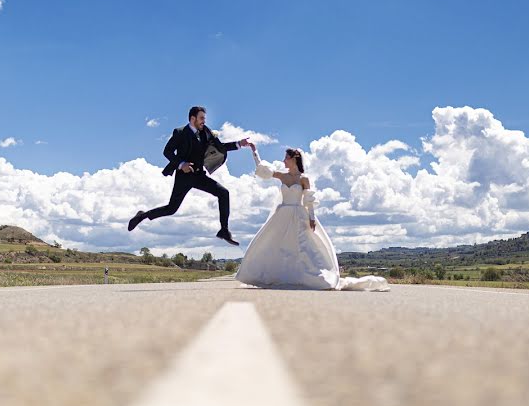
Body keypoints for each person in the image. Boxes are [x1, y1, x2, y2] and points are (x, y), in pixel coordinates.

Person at [235, 144, 389, 291]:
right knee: (273, 243)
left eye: (286, 158)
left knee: (304, 246)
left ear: (294, 159)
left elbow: (308, 200)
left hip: (299, 215)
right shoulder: (282, 176)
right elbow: (262, 170)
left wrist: (312, 218)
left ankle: (308, 275)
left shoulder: (304, 179)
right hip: (281, 215)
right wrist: (254, 151)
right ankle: (275, 274)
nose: (283, 161)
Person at [128, 106, 249, 245]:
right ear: (193, 119)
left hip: (199, 176)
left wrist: (239, 144)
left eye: (204, 118)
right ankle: (142, 215)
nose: (204, 121)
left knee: (223, 193)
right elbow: (167, 152)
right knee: (171, 209)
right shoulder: (180, 132)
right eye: (201, 118)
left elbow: (220, 147)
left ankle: (224, 230)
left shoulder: (206, 132)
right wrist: (181, 164)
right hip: (183, 177)